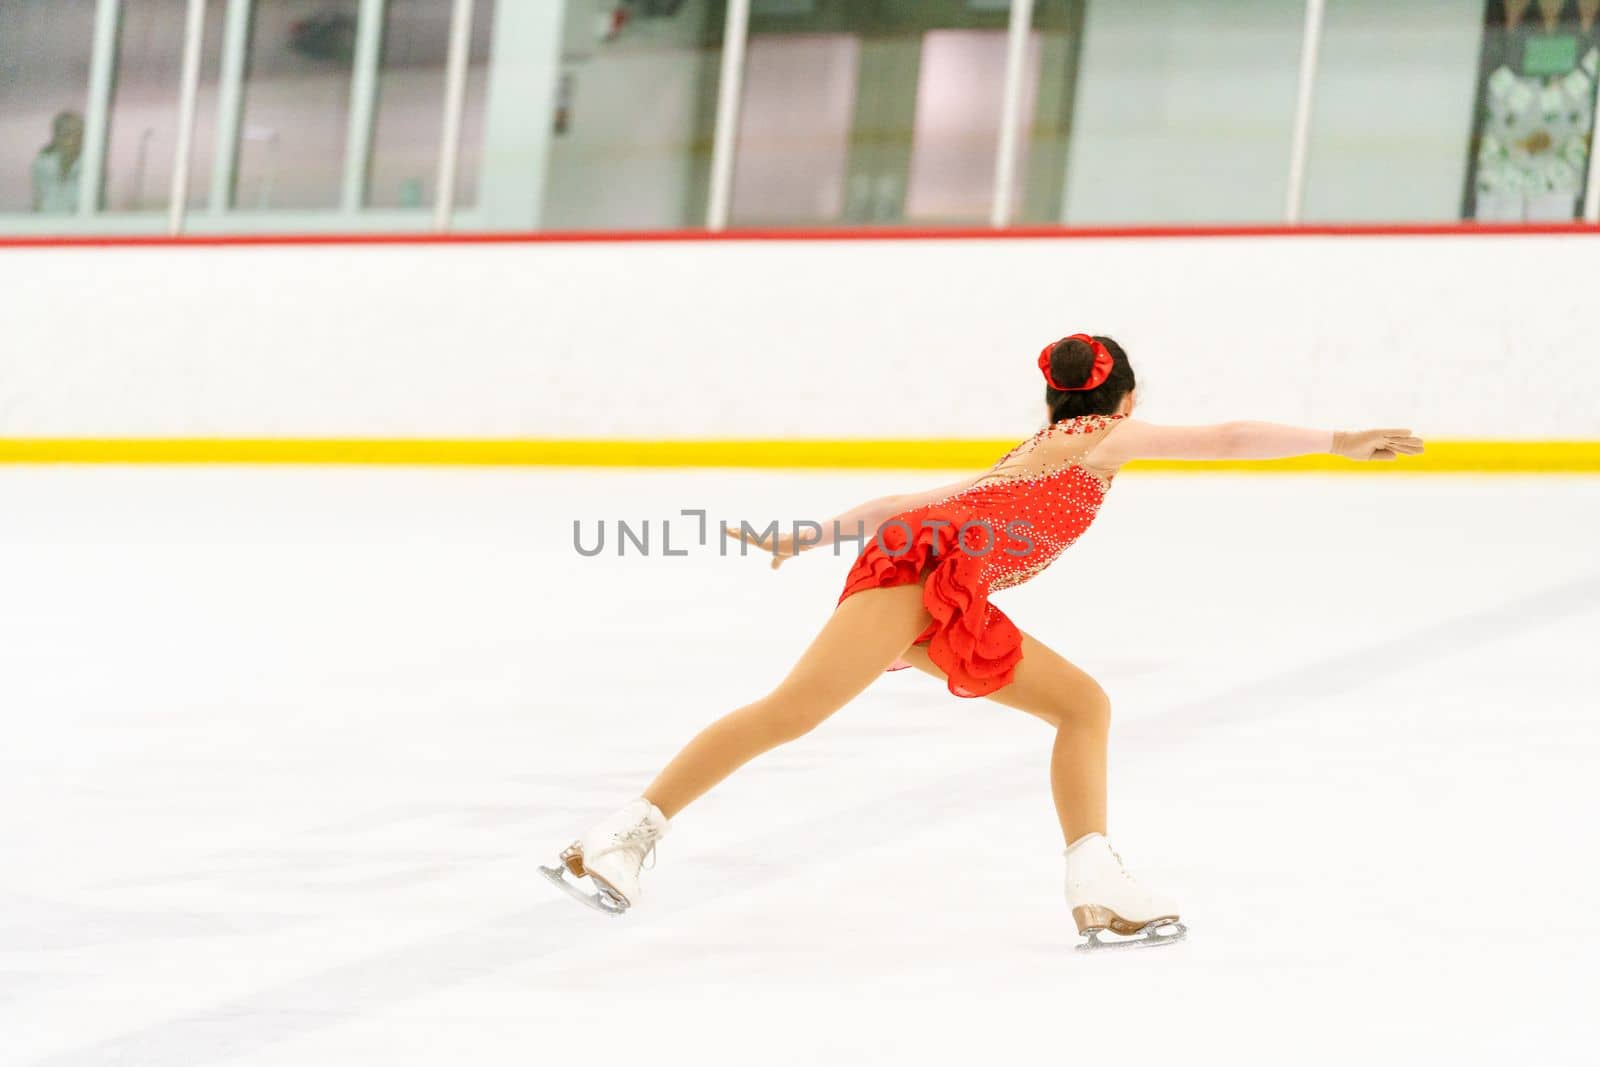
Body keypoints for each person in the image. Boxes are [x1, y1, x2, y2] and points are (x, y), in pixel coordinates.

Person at [542, 334, 1425, 951]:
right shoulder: (1101, 437)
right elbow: (1228, 438)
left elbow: (903, 502)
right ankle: (616, 836)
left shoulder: (1035, 448)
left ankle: (1098, 885)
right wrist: (1340, 440)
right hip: (920, 574)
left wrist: (806, 539)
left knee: (1083, 705)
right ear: (1121, 398)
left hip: (939, 582)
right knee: (791, 713)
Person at [32, 111, 84, 214]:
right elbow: (38, 202)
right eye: (67, 134)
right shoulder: (42, 165)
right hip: (46, 226)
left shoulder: (91, 168)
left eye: (79, 134)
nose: (73, 140)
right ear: (56, 137)